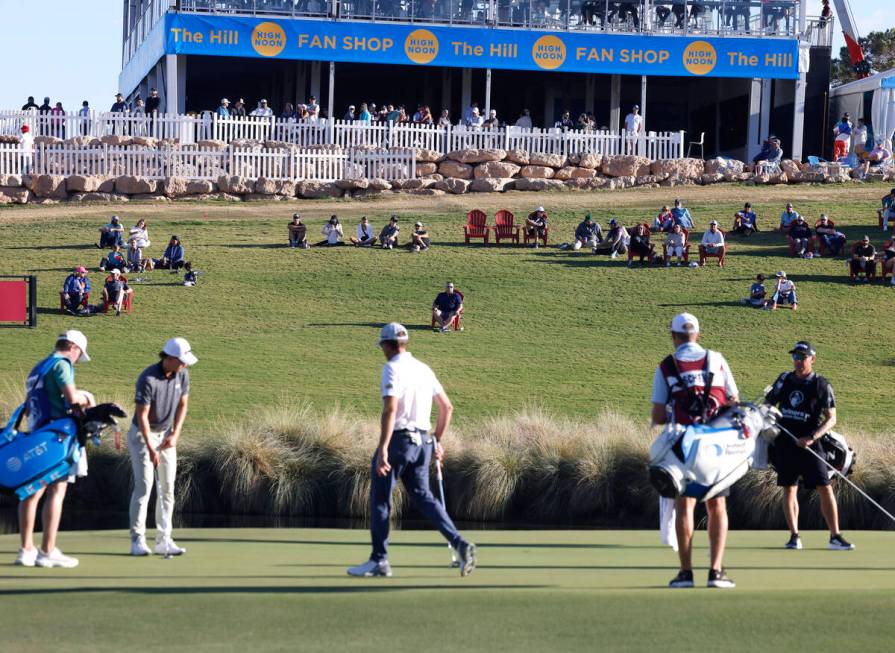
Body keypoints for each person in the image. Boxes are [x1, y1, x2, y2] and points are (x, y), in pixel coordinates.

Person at [347, 323, 476, 577]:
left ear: (387, 345)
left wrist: (382, 448)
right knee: (424, 498)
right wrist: (436, 441)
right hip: (422, 442)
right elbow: (447, 408)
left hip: (399, 442)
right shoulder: (424, 369)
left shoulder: (391, 368)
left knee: (381, 500)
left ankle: (379, 560)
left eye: (382, 345)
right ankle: (459, 543)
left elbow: (390, 410)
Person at [651, 313, 739, 589]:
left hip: (682, 445)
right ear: (697, 334)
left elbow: (657, 415)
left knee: (685, 506)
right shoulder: (717, 360)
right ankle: (715, 572)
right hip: (715, 445)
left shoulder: (667, 366)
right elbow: (734, 401)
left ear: (674, 336)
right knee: (717, 506)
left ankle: (686, 573)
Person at [16, 330, 95, 568]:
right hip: (57, 438)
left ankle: (25, 550)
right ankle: (47, 551)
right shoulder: (62, 364)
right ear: (73, 347)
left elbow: (29, 407)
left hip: (37, 434)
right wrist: (87, 399)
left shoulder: (39, 367)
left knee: (31, 492)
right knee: (56, 491)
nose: (76, 360)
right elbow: (72, 399)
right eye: (78, 354)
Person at [765, 342, 854, 552]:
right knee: (789, 488)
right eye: (795, 356)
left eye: (802, 357)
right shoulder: (784, 379)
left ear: (812, 359)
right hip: (785, 443)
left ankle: (835, 536)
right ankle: (794, 536)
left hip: (811, 445)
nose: (798, 360)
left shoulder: (821, 384)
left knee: (825, 487)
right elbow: (768, 404)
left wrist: (811, 437)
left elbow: (831, 418)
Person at [128, 338, 196, 557]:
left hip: (166, 436)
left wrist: (175, 434)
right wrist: (150, 447)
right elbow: (142, 416)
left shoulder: (182, 374)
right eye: (181, 361)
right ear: (169, 358)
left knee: (167, 487)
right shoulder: (148, 378)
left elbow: (183, 405)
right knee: (145, 486)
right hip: (142, 434)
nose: (185, 365)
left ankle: (164, 539)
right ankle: (137, 540)